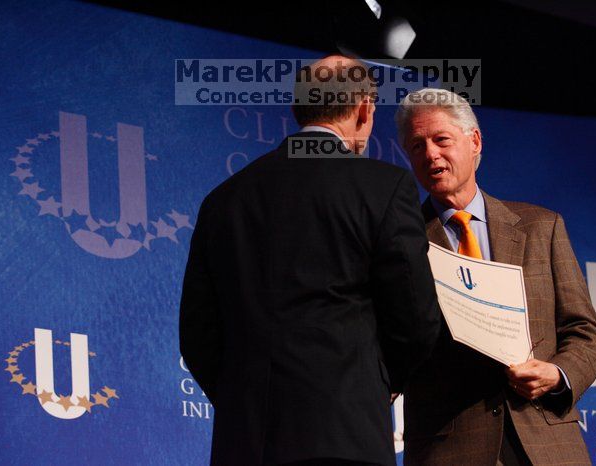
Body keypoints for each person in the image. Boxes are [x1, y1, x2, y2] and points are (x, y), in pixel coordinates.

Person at [179, 56, 442, 466]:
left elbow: (198, 335)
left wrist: (245, 403)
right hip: (345, 437)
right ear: (364, 109)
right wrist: (376, 382)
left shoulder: (223, 200)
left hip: (246, 445)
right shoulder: (383, 188)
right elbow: (415, 316)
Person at [394, 88, 596, 465]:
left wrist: (558, 374)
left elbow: (586, 332)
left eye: (441, 139)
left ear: (474, 141)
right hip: (447, 448)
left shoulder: (542, 227)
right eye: (416, 146)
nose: (430, 154)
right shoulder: (398, 242)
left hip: (546, 444)